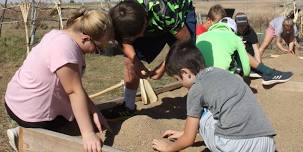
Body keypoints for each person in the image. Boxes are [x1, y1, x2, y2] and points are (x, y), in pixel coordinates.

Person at [4, 8, 113, 152]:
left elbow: (75, 85)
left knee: (78, 114)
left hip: (16, 100)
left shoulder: (58, 35)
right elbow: (74, 91)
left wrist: (93, 110)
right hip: (29, 113)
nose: (95, 52)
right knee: (68, 124)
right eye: (98, 48)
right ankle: (27, 134)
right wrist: (88, 134)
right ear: (86, 38)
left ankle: (25, 130)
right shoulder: (65, 49)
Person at [152, 40, 276, 152]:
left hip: (235, 146)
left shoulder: (196, 88)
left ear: (185, 73)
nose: (181, 83)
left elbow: (188, 140)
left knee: (204, 113)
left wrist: (169, 147)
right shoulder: (223, 73)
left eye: (178, 79)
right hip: (267, 142)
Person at [101, 0, 196, 119]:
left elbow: (185, 41)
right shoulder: (123, 12)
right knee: (129, 61)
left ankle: (197, 110)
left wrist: (165, 66)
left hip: (179, 14)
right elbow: (124, 41)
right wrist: (136, 62)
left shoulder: (165, 12)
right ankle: (128, 107)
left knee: (187, 58)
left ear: (145, 22)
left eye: (138, 35)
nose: (140, 38)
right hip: (153, 20)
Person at [235, 12, 293, 85]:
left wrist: (259, 66)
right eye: (240, 25)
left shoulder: (250, 31)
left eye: (244, 25)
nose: (242, 27)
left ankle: (260, 71)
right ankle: (266, 72)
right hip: (236, 60)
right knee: (240, 50)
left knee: (246, 52)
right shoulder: (232, 32)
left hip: (249, 59)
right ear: (235, 24)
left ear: (247, 23)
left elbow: (256, 50)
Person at [196, 5, 251, 77]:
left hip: (202, 77)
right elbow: (246, 71)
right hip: (223, 78)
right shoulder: (236, 38)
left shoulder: (200, 37)